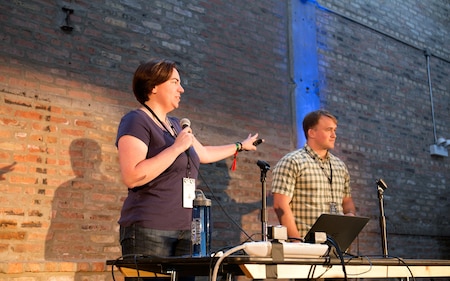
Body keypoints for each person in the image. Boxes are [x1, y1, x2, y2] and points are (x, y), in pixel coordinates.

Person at [115, 59, 261, 264]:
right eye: (175, 82)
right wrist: (176, 149)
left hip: (187, 229)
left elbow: (204, 154)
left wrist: (239, 146)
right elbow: (132, 175)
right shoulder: (136, 120)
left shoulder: (175, 125)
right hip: (150, 228)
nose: (181, 89)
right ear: (154, 86)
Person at [271, 109, 356, 241]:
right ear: (312, 132)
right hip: (305, 247)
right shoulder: (292, 161)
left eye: (335, 130)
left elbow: (347, 201)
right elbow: (280, 205)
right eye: (329, 130)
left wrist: (350, 214)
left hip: (337, 248)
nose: (334, 135)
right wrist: (297, 242)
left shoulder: (340, 166)